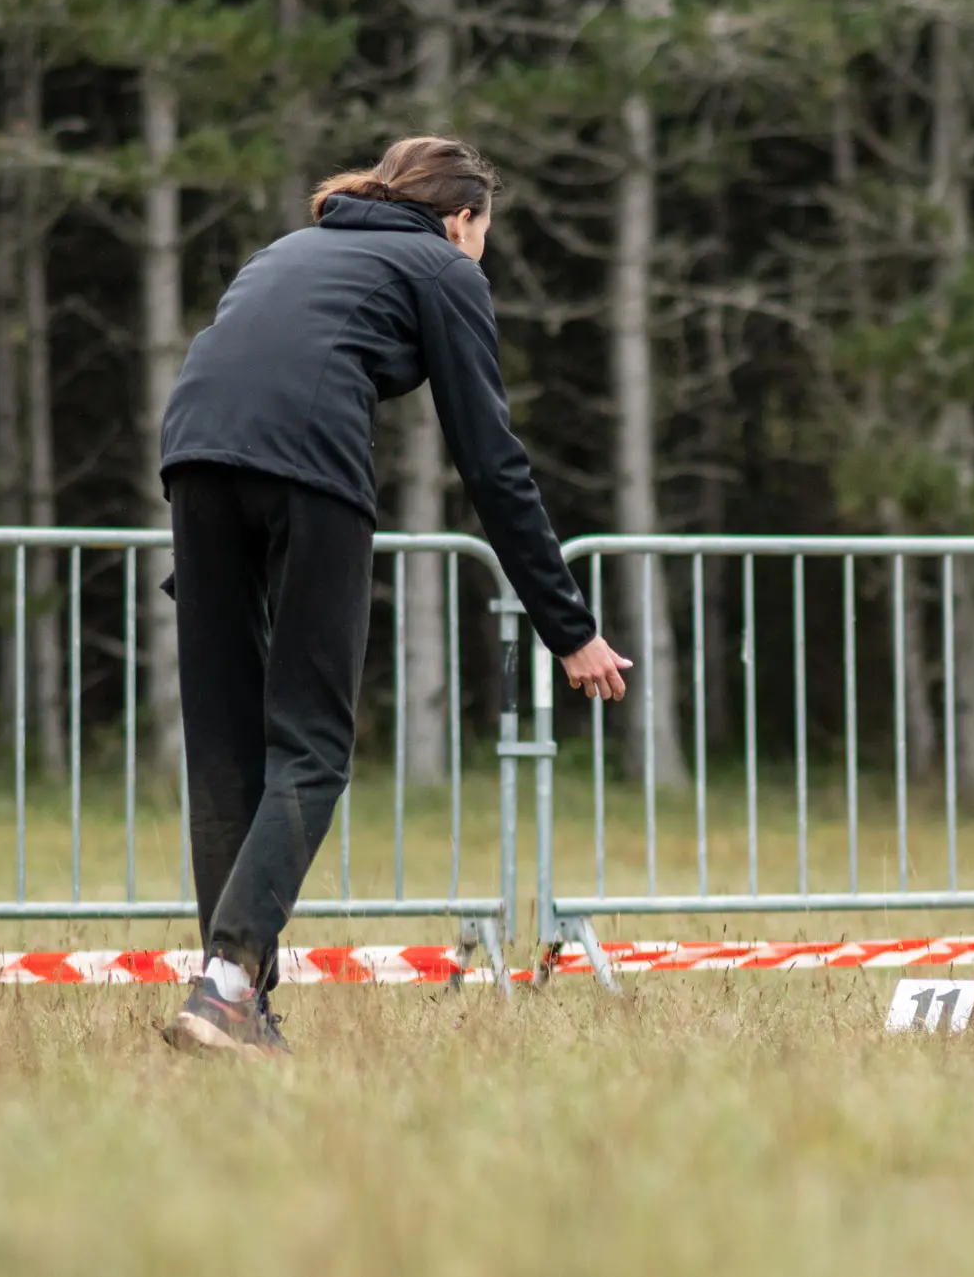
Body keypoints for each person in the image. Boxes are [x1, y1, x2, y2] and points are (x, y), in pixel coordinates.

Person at [156, 136, 632, 1056]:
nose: (482, 250)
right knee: (311, 748)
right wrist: (568, 628)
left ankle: (231, 998)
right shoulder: (441, 266)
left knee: (224, 750)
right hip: (307, 466)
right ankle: (225, 986)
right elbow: (492, 463)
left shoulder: (288, 249)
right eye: (485, 231)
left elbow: (234, 378)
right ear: (461, 219)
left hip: (193, 459)